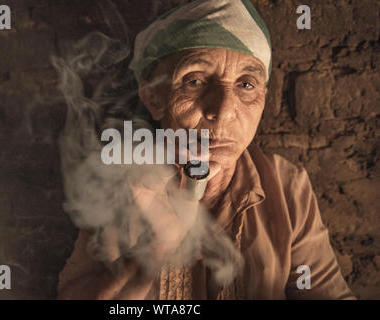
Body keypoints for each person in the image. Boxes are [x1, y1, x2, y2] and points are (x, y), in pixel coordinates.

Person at [57, 0, 356, 299]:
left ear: (264, 98)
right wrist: (152, 253)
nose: (224, 110)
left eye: (246, 85)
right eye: (196, 81)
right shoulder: (120, 185)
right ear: (153, 98)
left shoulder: (287, 187)